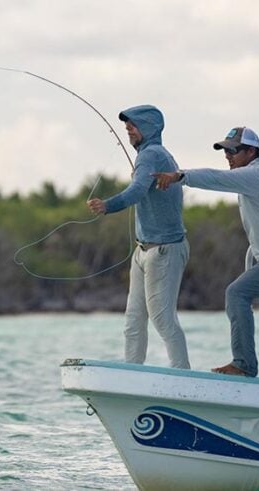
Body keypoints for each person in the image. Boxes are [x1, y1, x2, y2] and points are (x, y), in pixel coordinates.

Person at [154, 126, 259, 381]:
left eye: (233, 151)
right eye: (225, 150)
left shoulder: (256, 175)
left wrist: (178, 176)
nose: (228, 156)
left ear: (251, 151)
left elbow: (216, 179)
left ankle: (244, 364)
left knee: (237, 293)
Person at [87, 105, 190, 369]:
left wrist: (107, 205)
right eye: (127, 126)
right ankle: (132, 374)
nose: (128, 130)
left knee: (162, 319)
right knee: (133, 321)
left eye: (133, 125)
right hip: (143, 251)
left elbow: (136, 191)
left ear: (148, 127)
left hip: (164, 250)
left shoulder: (152, 154)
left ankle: (184, 376)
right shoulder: (151, 155)